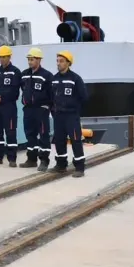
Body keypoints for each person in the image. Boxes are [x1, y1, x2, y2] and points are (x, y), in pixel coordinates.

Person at [50, 50, 89, 178]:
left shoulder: (75, 79)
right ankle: (61, 165)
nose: (58, 63)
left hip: (71, 116)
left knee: (75, 140)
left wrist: (74, 109)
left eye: (61, 61)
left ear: (68, 63)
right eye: (57, 61)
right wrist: (53, 110)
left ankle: (80, 167)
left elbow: (84, 97)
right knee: (59, 140)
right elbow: (51, 97)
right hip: (58, 116)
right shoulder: (54, 79)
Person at [19, 47, 54, 171]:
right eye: (28, 59)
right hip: (28, 109)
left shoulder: (47, 75)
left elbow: (52, 93)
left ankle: (44, 160)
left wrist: (47, 106)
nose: (29, 62)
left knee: (43, 134)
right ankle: (31, 159)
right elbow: (23, 89)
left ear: (39, 60)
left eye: (32, 59)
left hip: (41, 110)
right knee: (30, 134)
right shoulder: (24, 74)